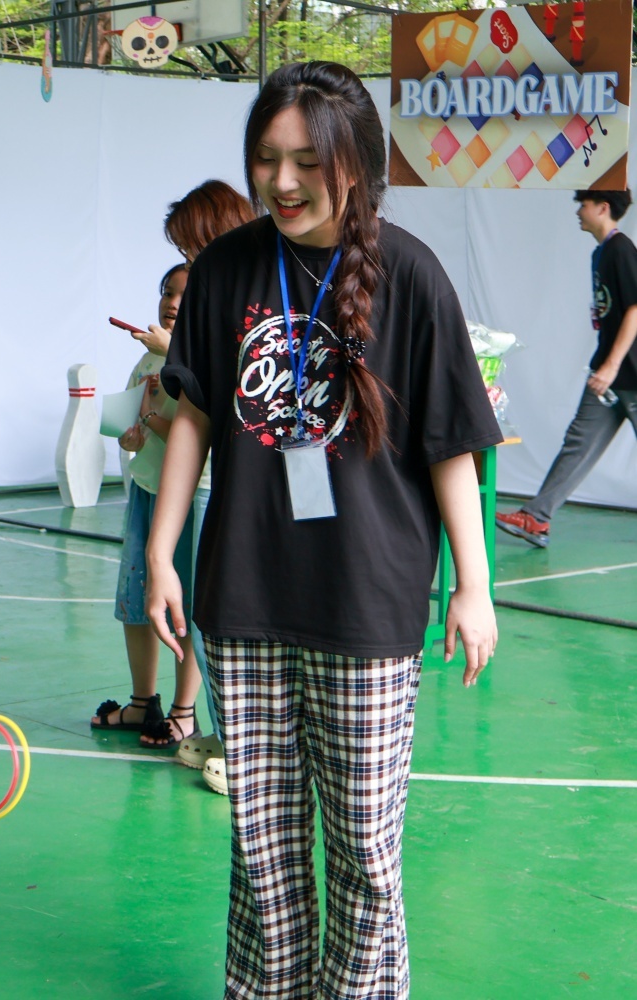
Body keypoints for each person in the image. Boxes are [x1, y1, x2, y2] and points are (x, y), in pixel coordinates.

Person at [145, 63, 500, 997]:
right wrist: (158, 551)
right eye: (267, 159)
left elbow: (450, 443)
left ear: (358, 164)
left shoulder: (410, 274)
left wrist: (474, 583)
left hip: (366, 601)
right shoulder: (227, 267)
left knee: (365, 860)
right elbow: (193, 416)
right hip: (245, 594)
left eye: (309, 160)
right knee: (262, 853)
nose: (285, 182)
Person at [162, 181, 257, 790]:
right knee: (217, 611)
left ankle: (244, 750)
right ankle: (227, 735)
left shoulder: (251, 289)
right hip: (222, 480)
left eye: (192, 250)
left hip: (259, 481)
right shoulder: (213, 292)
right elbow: (194, 411)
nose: (189, 265)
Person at [92, 263, 204, 750]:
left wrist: (155, 417)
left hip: (189, 503)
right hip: (146, 490)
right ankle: (143, 701)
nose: (172, 302)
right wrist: (133, 434)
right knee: (136, 602)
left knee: (185, 607)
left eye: (184, 294)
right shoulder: (146, 363)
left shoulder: (202, 362)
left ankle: (184, 710)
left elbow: (196, 436)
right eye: (167, 292)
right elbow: (137, 424)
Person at [496, 188, 637, 548]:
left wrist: (611, 364)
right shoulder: (601, 253)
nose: (578, 211)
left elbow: (636, 310)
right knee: (578, 444)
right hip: (608, 377)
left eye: (584, 204)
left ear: (603, 208)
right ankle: (536, 518)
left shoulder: (621, 251)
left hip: (628, 373)